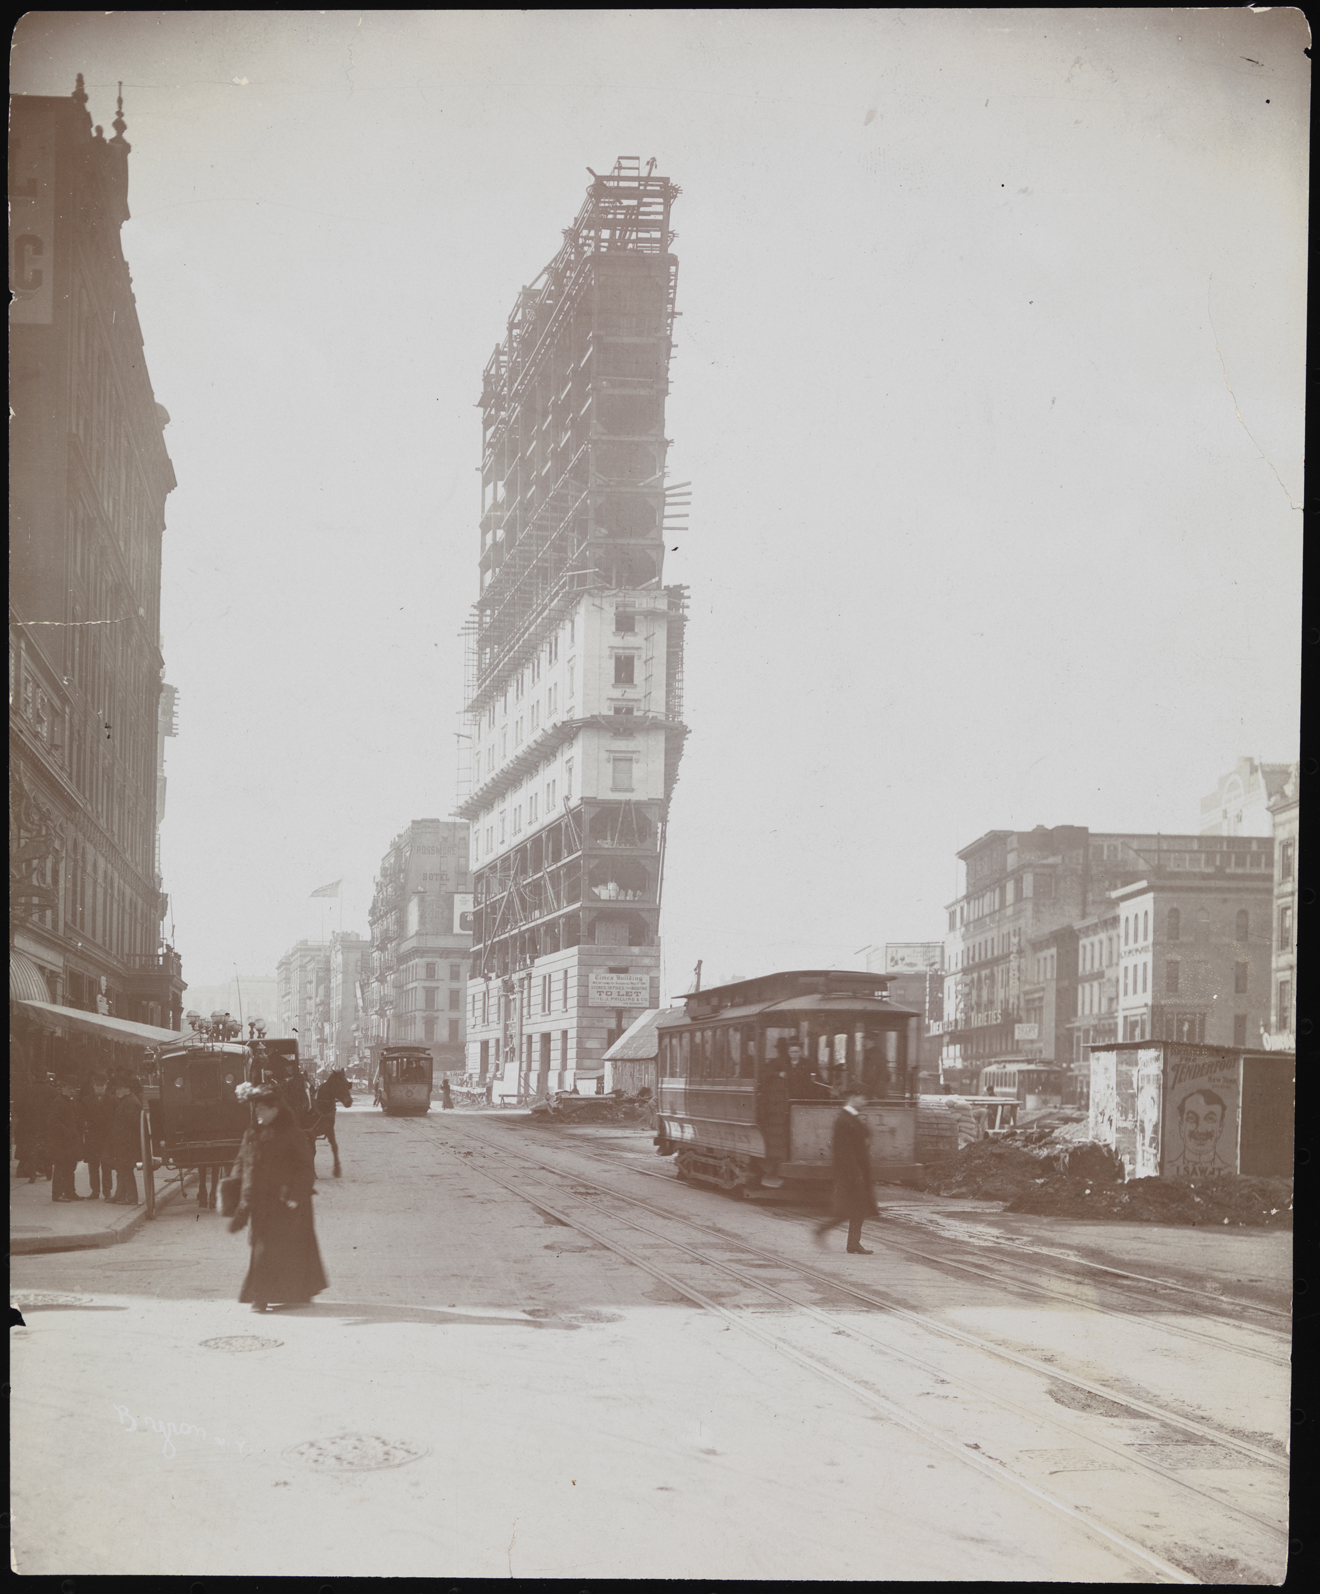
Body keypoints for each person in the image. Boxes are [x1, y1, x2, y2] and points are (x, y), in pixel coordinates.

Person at [228, 1081, 328, 1313]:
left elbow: (305, 1167)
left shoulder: (292, 1133)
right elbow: (241, 1162)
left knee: (286, 1250)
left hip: (287, 1203)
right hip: (260, 1202)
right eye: (256, 1109)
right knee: (263, 1247)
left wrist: (294, 1193)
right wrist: (234, 1190)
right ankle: (261, 1296)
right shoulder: (252, 1133)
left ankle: (269, 1296)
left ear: (275, 1109)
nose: (258, 1113)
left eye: (262, 1109)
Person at [814, 1090, 879, 1255]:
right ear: (853, 1098)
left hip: (855, 1171)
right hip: (850, 1172)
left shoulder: (852, 1118)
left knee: (858, 1207)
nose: (865, 1101)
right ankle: (823, 1230)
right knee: (849, 1209)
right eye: (862, 1097)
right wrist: (855, 1174)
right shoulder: (843, 1120)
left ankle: (853, 1244)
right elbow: (844, 1151)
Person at [49, 1077, 85, 1202]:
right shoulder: (58, 1102)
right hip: (62, 1142)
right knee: (61, 1167)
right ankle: (57, 1194)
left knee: (70, 1167)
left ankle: (70, 1192)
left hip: (70, 1141)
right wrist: (67, 1132)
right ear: (62, 1089)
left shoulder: (70, 1101)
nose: (71, 1091)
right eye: (69, 1088)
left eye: (73, 1089)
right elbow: (54, 1121)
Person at [79, 1073, 115, 1199]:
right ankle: (95, 1191)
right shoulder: (86, 1101)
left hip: (106, 1139)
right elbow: (82, 1118)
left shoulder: (113, 1100)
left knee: (106, 1166)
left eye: (102, 1086)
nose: (99, 1089)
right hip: (92, 1138)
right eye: (97, 1086)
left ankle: (107, 1191)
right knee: (93, 1167)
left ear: (106, 1086)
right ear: (93, 1087)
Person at [108, 1075, 143, 1205]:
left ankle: (131, 1197)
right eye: (116, 1089)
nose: (117, 1091)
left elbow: (132, 1125)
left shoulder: (130, 1102)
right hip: (123, 1143)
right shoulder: (127, 1100)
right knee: (121, 1169)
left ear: (128, 1089)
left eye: (120, 1088)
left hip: (127, 1144)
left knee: (126, 1170)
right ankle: (120, 1195)